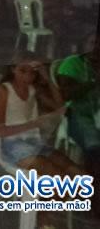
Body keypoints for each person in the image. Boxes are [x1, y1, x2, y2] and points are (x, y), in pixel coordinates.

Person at [0, 51, 85, 226]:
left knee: (79, 176)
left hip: (34, 143)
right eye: (23, 70)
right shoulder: (4, 90)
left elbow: (60, 106)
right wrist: (34, 123)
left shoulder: (32, 89)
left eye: (32, 71)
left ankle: (42, 214)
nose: (28, 75)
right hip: (12, 145)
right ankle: (43, 218)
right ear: (13, 70)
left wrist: (45, 75)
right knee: (58, 178)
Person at [56, 32, 100, 216]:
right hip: (76, 114)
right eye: (92, 42)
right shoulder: (72, 63)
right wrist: (93, 83)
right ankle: (92, 201)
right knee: (95, 148)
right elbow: (64, 95)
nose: (96, 46)